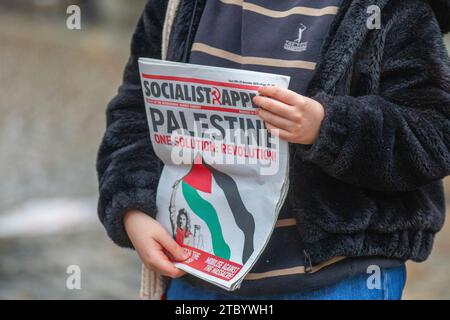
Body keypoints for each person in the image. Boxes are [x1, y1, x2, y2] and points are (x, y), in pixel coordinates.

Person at [97, 0, 450, 300]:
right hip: (194, 276)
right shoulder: (178, 5)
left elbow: (434, 133)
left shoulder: (390, 8)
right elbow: (135, 110)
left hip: (340, 281)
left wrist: (327, 127)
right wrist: (133, 209)